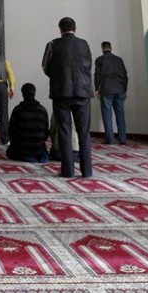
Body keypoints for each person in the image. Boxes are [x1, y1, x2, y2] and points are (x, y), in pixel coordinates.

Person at [42, 17, 94, 178]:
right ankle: (87, 171)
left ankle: (68, 170)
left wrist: (57, 77)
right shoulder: (84, 44)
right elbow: (88, 65)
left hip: (61, 93)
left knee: (64, 132)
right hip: (82, 93)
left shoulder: (52, 44)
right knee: (83, 132)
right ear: (75, 28)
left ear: (60, 29)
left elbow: (45, 67)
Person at [94, 41, 128, 145]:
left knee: (107, 115)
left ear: (102, 48)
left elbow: (97, 75)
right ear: (111, 48)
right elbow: (125, 75)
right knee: (120, 115)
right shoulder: (119, 60)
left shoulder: (100, 60)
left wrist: (97, 88)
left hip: (106, 90)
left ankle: (110, 139)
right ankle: (122, 139)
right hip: (120, 89)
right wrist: (125, 89)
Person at [6, 83, 50, 162]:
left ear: (23, 94)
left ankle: (27, 156)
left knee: (10, 152)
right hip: (38, 147)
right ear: (34, 93)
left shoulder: (18, 110)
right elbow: (46, 132)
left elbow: (11, 131)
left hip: (22, 147)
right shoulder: (42, 110)